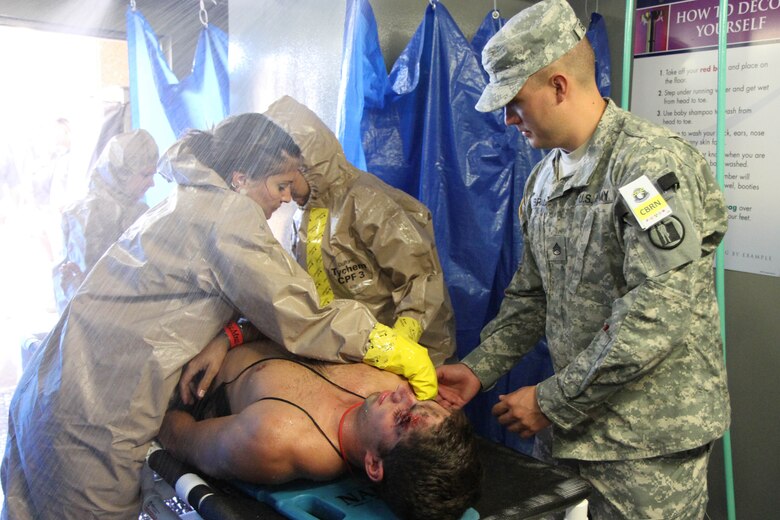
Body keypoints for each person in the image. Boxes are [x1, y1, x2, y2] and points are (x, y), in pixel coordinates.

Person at [1, 113, 437, 520]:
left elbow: (235, 301)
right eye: (281, 185)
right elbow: (304, 316)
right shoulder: (228, 219)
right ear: (240, 178)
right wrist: (397, 349)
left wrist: (227, 336)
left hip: (50, 388)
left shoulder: (193, 200)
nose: (287, 198)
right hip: (91, 419)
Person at [435, 0, 729, 518]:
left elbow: (657, 313)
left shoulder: (646, 168)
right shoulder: (543, 181)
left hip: (645, 446)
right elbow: (532, 295)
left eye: (515, 100)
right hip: (572, 433)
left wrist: (549, 401)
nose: (507, 119)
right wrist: (479, 370)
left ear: (558, 85)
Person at [180, 96, 456, 401]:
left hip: (405, 372)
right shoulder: (304, 218)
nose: (284, 196)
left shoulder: (366, 202)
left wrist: (399, 349)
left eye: (288, 177)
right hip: (357, 367)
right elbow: (293, 302)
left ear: (307, 161)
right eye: (279, 182)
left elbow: (421, 282)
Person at [161, 338, 482, 520]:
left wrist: (208, 342)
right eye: (418, 402)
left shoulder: (278, 438)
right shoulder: (388, 383)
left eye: (403, 418)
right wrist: (229, 333)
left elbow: (177, 434)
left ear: (373, 464)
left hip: (184, 349)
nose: (403, 394)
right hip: (238, 315)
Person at [53, 129, 159, 315]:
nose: (152, 184)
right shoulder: (87, 215)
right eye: (145, 175)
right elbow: (90, 289)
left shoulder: (137, 210)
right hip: (95, 323)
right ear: (121, 173)